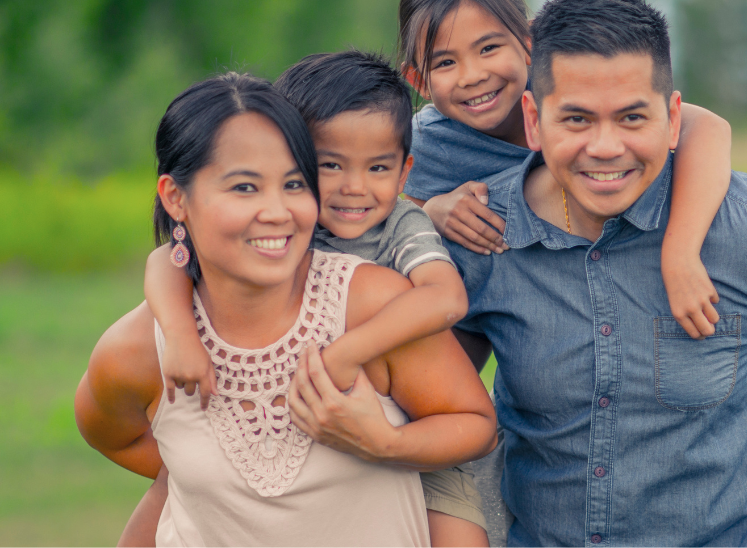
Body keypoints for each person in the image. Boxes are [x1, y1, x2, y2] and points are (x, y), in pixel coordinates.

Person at [295, 0, 747, 546]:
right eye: (578, 119)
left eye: (632, 118)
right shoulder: (481, 241)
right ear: (534, 120)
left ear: (673, 118)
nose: (606, 146)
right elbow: (442, 403)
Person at [74, 72, 497, 546]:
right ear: (176, 198)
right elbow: (109, 431)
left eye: (294, 184)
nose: (277, 211)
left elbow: (473, 418)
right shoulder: (140, 349)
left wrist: (381, 441)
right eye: (244, 188)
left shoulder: (377, 301)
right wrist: (204, 483)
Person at [398, 0, 733, 357]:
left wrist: (679, 253)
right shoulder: (427, 143)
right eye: (446, 62)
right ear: (418, 80)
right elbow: (392, 225)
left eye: (488, 49)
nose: (473, 76)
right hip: (522, 307)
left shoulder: (566, 94)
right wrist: (430, 212)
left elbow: (709, 128)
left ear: (528, 42)